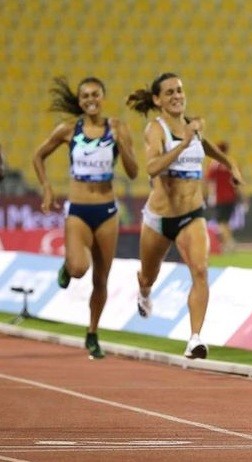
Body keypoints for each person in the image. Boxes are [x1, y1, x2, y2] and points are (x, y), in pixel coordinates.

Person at [126, 72, 244, 359]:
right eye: (169, 92)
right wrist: (182, 144)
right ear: (157, 100)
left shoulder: (194, 128)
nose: (177, 96)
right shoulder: (156, 130)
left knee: (201, 270)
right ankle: (144, 291)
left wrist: (231, 164)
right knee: (149, 275)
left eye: (179, 90)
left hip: (192, 214)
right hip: (159, 218)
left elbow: (206, 147)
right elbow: (152, 168)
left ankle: (195, 339)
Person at [33, 76, 139, 359]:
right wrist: (47, 188)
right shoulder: (69, 130)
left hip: (107, 211)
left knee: (101, 280)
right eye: (85, 96)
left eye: (95, 94)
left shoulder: (117, 128)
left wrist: (123, 145)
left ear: (102, 97)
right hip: (79, 209)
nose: (91, 100)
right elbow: (38, 156)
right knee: (80, 268)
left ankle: (92, 333)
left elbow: (133, 172)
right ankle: (69, 267)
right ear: (80, 102)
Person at [205, 141, 247, 252]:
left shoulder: (214, 164)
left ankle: (229, 243)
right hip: (231, 197)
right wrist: (243, 197)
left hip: (219, 197)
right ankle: (228, 242)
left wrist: (210, 196)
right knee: (226, 221)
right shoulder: (231, 163)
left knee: (221, 222)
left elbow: (210, 181)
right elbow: (237, 182)